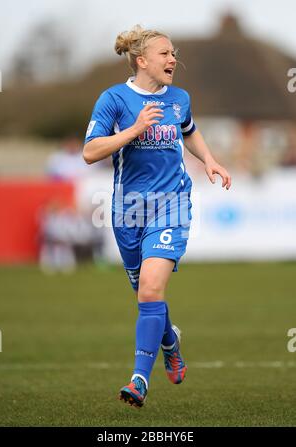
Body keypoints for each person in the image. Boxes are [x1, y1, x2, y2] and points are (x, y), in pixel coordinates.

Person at [83, 25, 231, 408]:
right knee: (146, 295)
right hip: (127, 211)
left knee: (150, 288)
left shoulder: (179, 98)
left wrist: (210, 160)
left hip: (172, 206)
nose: (173, 59)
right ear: (142, 60)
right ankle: (169, 341)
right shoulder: (114, 99)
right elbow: (90, 151)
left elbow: (189, 131)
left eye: (174, 53)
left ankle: (138, 381)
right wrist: (134, 129)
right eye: (165, 54)